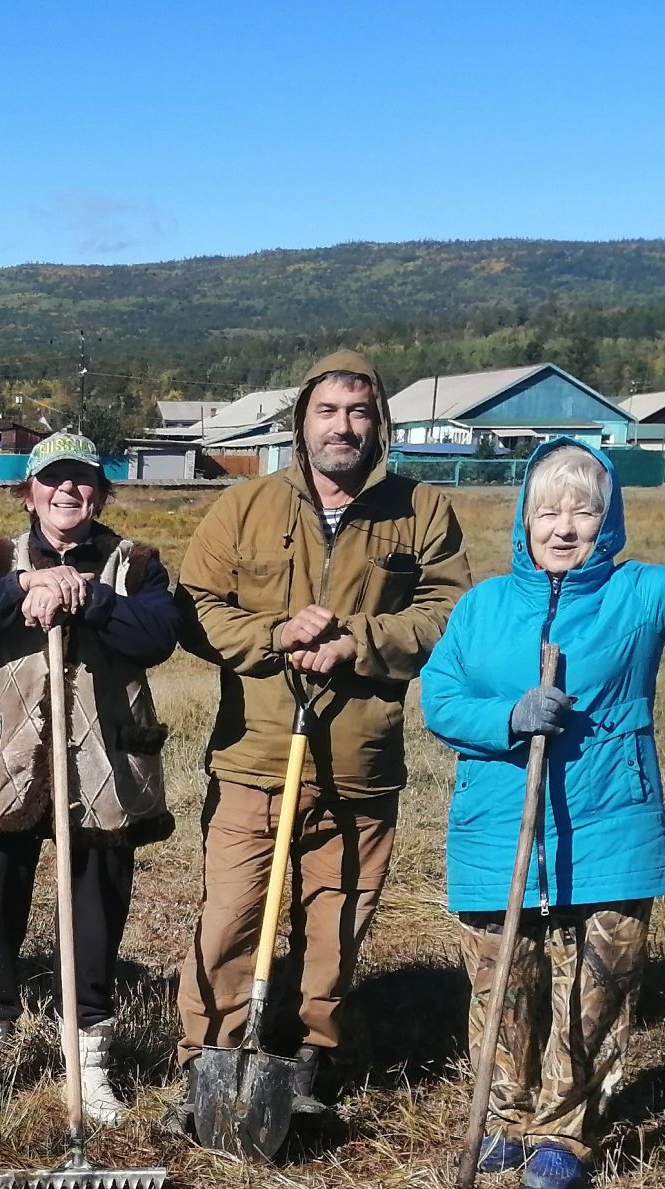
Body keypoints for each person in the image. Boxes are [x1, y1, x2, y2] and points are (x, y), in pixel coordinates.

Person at [420, 446, 665, 1189]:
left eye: (584, 511)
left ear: (608, 521)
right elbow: (438, 699)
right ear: (524, 520)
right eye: (549, 511)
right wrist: (508, 715)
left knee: (597, 989)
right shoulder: (483, 606)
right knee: (504, 985)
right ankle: (506, 1120)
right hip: (497, 830)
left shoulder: (637, 596)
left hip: (609, 828)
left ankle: (564, 1130)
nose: (565, 527)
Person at [166, 350, 472, 1138]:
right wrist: (274, 632)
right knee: (230, 917)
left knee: (336, 927)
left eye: (359, 412)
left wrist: (359, 642)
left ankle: (308, 1067)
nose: (344, 427)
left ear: (380, 424)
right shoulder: (246, 508)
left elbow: (449, 615)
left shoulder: (422, 512)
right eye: (328, 412)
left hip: (361, 764)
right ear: (301, 422)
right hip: (255, 756)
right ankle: (207, 1061)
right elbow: (195, 607)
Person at [0, 432, 178, 1122]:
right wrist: (23, 587)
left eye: (83, 480)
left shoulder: (137, 563)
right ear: (30, 489)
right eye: (52, 480)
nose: (68, 492)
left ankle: (89, 1069)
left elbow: (157, 638)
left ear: (101, 490)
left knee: (96, 923)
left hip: (105, 776)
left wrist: (86, 597)